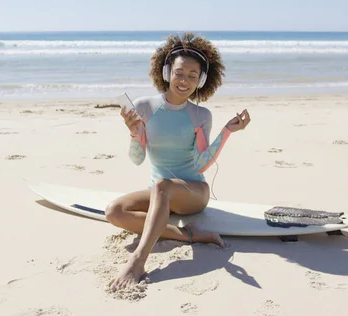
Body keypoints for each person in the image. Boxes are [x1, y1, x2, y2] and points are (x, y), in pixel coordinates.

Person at [105, 32, 251, 291]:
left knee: (161, 185)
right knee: (114, 211)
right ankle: (188, 235)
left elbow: (201, 164)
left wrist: (227, 131)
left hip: (193, 193)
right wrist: (132, 131)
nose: (184, 81)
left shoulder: (200, 115)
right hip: (160, 194)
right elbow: (137, 159)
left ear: (201, 80)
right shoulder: (144, 107)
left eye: (192, 76)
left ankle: (138, 260)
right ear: (166, 72)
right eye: (179, 73)